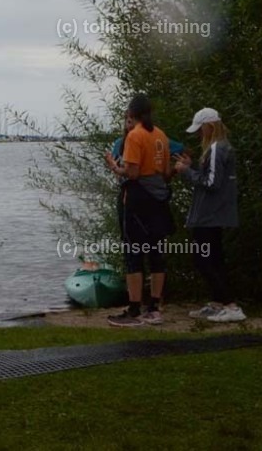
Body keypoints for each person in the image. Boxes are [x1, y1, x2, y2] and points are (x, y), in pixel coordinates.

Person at [104, 94, 174, 327]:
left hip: (136, 201)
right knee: (156, 253)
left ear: (132, 113)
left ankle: (134, 309)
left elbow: (132, 173)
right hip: (159, 199)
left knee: (133, 253)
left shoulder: (135, 136)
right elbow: (165, 171)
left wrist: (115, 167)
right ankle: (154, 307)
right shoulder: (161, 135)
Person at [174, 108, 246, 322]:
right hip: (214, 213)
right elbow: (212, 177)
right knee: (213, 258)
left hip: (209, 215)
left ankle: (230, 305)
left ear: (209, 127)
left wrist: (186, 171)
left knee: (203, 259)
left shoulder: (215, 148)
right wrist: (190, 167)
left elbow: (211, 182)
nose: (198, 135)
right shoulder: (223, 147)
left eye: (200, 130)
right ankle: (218, 302)